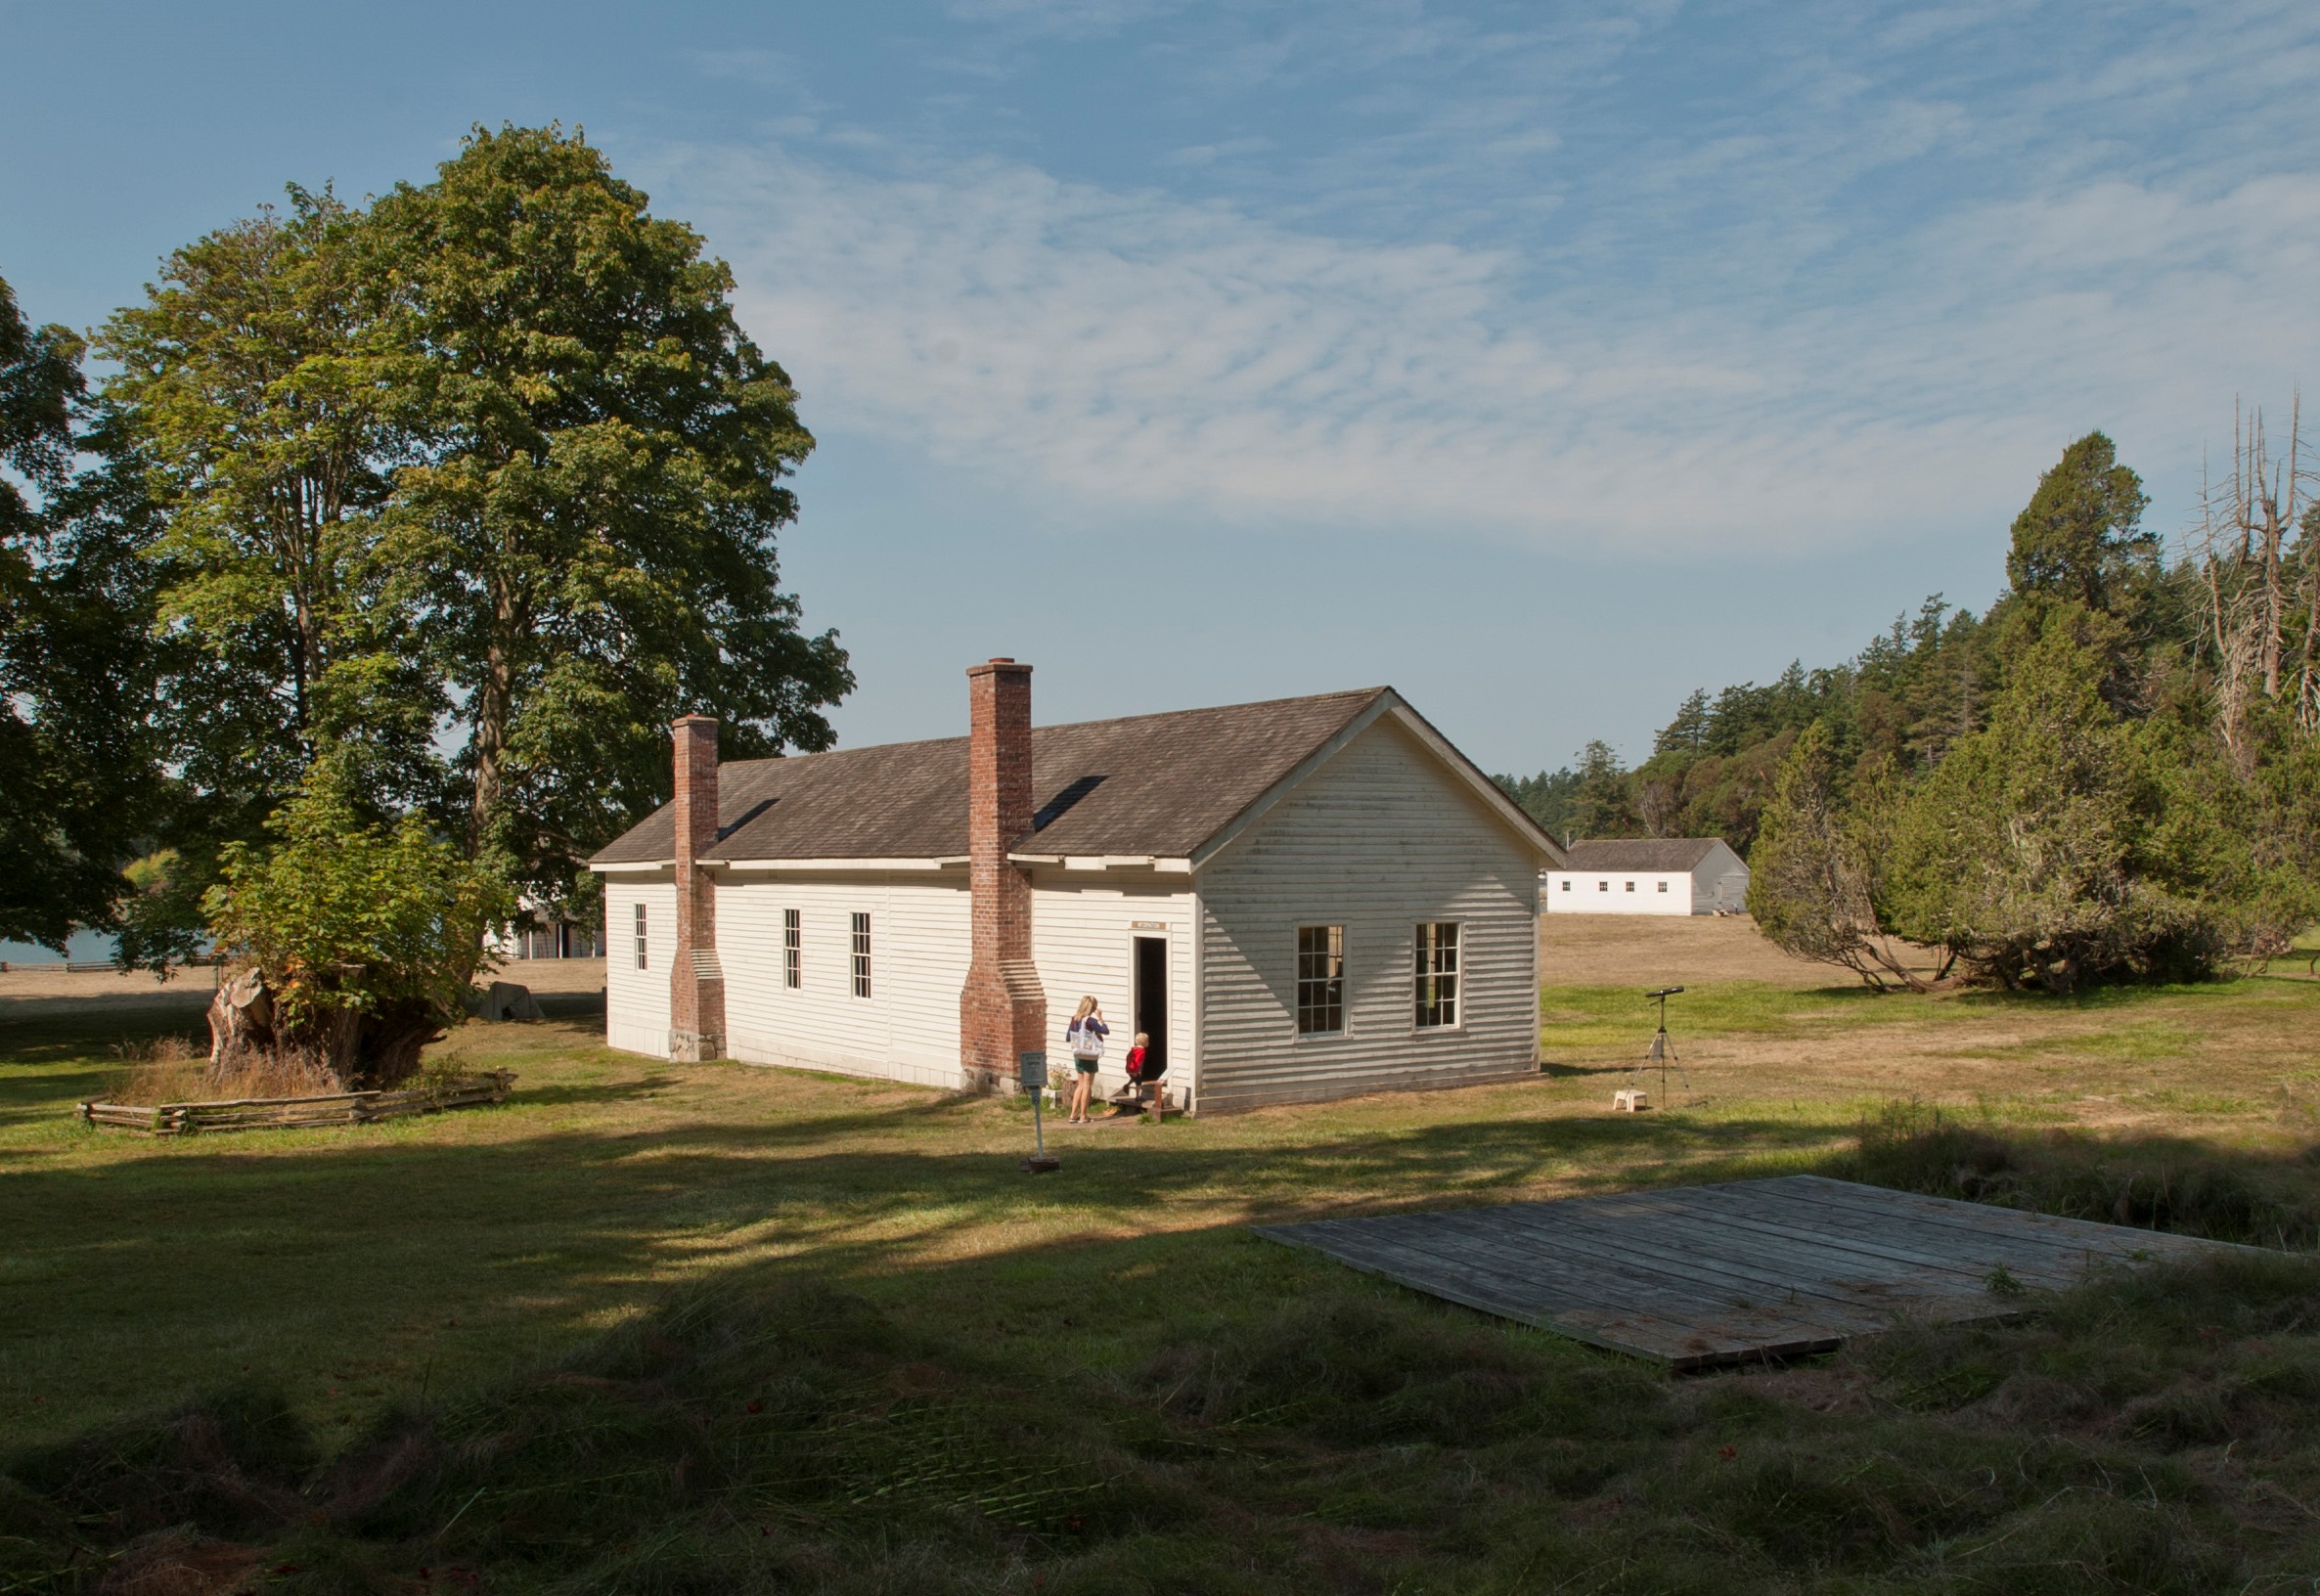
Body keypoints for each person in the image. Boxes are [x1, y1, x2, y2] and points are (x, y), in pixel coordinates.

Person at [1064, 996, 1107, 1124]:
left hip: (1077, 1054)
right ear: (1092, 1008)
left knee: (1080, 1085)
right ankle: (1083, 1116)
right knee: (1087, 1086)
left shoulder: (1074, 1019)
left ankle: (1073, 1114)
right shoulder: (1091, 1021)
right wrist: (1100, 1017)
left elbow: (1068, 1037)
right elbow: (1105, 1030)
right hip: (1089, 1054)